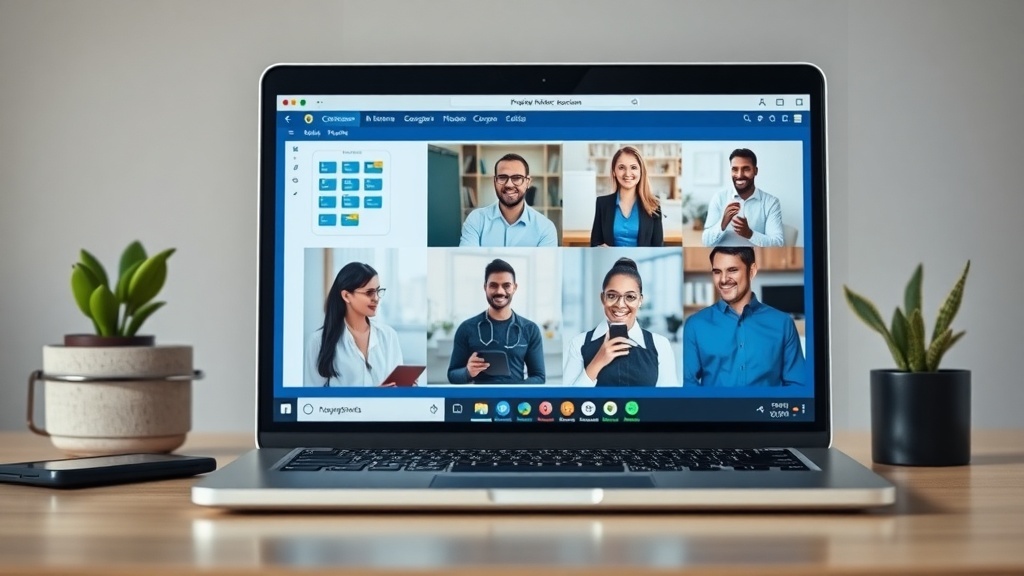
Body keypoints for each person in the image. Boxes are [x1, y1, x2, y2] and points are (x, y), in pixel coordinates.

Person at [683, 247, 805, 387]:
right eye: (717, 272)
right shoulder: (696, 324)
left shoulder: (783, 323)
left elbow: (797, 384)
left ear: (751, 271)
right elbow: (688, 385)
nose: (723, 279)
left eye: (732, 270)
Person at [563, 257, 679, 386]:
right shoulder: (578, 344)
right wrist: (598, 361)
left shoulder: (660, 345)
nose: (620, 304)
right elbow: (568, 403)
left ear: (640, 300)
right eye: (612, 296)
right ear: (603, 298)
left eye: (630, 297)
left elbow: (668, 401)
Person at [304, 262, 406, 387]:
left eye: (378, 291)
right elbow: (312, 398)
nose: (376, 298)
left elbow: (397, 388)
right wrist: (372, 396)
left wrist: (405, 388)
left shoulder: (389, 335)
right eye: (369, 292)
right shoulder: (318, 341)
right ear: (347, 296)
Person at [447, 259, 546, 384]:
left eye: (506, 285)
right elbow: (452, 375)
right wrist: (468, 372)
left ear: (515, 287)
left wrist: (513, 390)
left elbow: (539, 377)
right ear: (485, 287)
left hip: (515, 401)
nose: (500, 291)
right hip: (479, 401)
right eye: (493, 285)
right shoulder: (467, 328)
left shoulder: (530, 329)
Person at [459, 153, 558, 247]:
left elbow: (544, 264)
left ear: (528, 182)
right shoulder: (476, 219)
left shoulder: (545, 228)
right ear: (494, 181)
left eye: (517, 178)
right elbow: (468, 262)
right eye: (502, 177)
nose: (509, 184)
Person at [701, 148, 785, 247]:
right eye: (735, 169)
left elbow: (778, 244)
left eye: (746, 169)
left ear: (755, 171)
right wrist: (722, 224)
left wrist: (750, 234)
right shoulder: (719, 198)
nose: (739, 175)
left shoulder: (771, 202)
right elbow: (706, 242)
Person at [590, 146, 664, 247]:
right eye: (621, 167)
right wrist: (599, 247)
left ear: (641, 171)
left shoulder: (654, 205)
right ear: (614, 172)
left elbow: (658, 247)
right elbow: (594, 243)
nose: (628, 173)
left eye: (633, 167)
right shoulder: (602, 203)